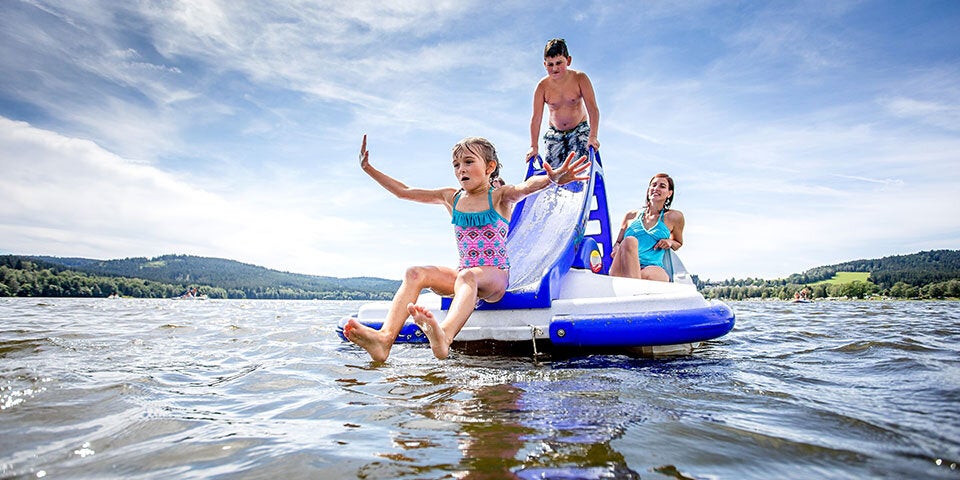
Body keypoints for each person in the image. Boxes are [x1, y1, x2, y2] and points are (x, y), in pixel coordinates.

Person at [343, 135, 591, 362]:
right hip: (465, 277)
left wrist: (551, 179)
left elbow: (525, 187)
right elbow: (404, 191)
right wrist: (368, 168)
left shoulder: (500, 196)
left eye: (469, 162)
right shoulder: (451, 198)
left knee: (467, 276)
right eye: (456, 164)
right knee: (415, 273)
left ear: (490, 167)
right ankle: (384, 339)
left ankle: (444, 335)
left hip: (495, 277)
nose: (461, 169)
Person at [525, 38, 600, 168]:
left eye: (559, 63)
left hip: (579, 129)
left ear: (568, 60)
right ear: (545, 64)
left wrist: (593, 136)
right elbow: (536, 118)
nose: (554, 68)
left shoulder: (580, 79)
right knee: (553, 173)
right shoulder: (542, 87)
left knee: (579, 167)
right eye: (550, 64)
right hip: (555, 132)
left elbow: (593, 110)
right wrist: (534, 146)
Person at [609, 173, 685, 282]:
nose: (656, 188)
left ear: (669, 193)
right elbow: (618, 242)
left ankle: (633, 282)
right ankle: (635, 284)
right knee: (630, 241)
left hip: (651, 267)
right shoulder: (631, 216)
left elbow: (678, 243)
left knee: (661, 276)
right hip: (623, 268)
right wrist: (616, 247)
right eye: (653, 185)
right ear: (648, 190)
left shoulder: (674, 217)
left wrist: (670, 242)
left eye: (662, 186)